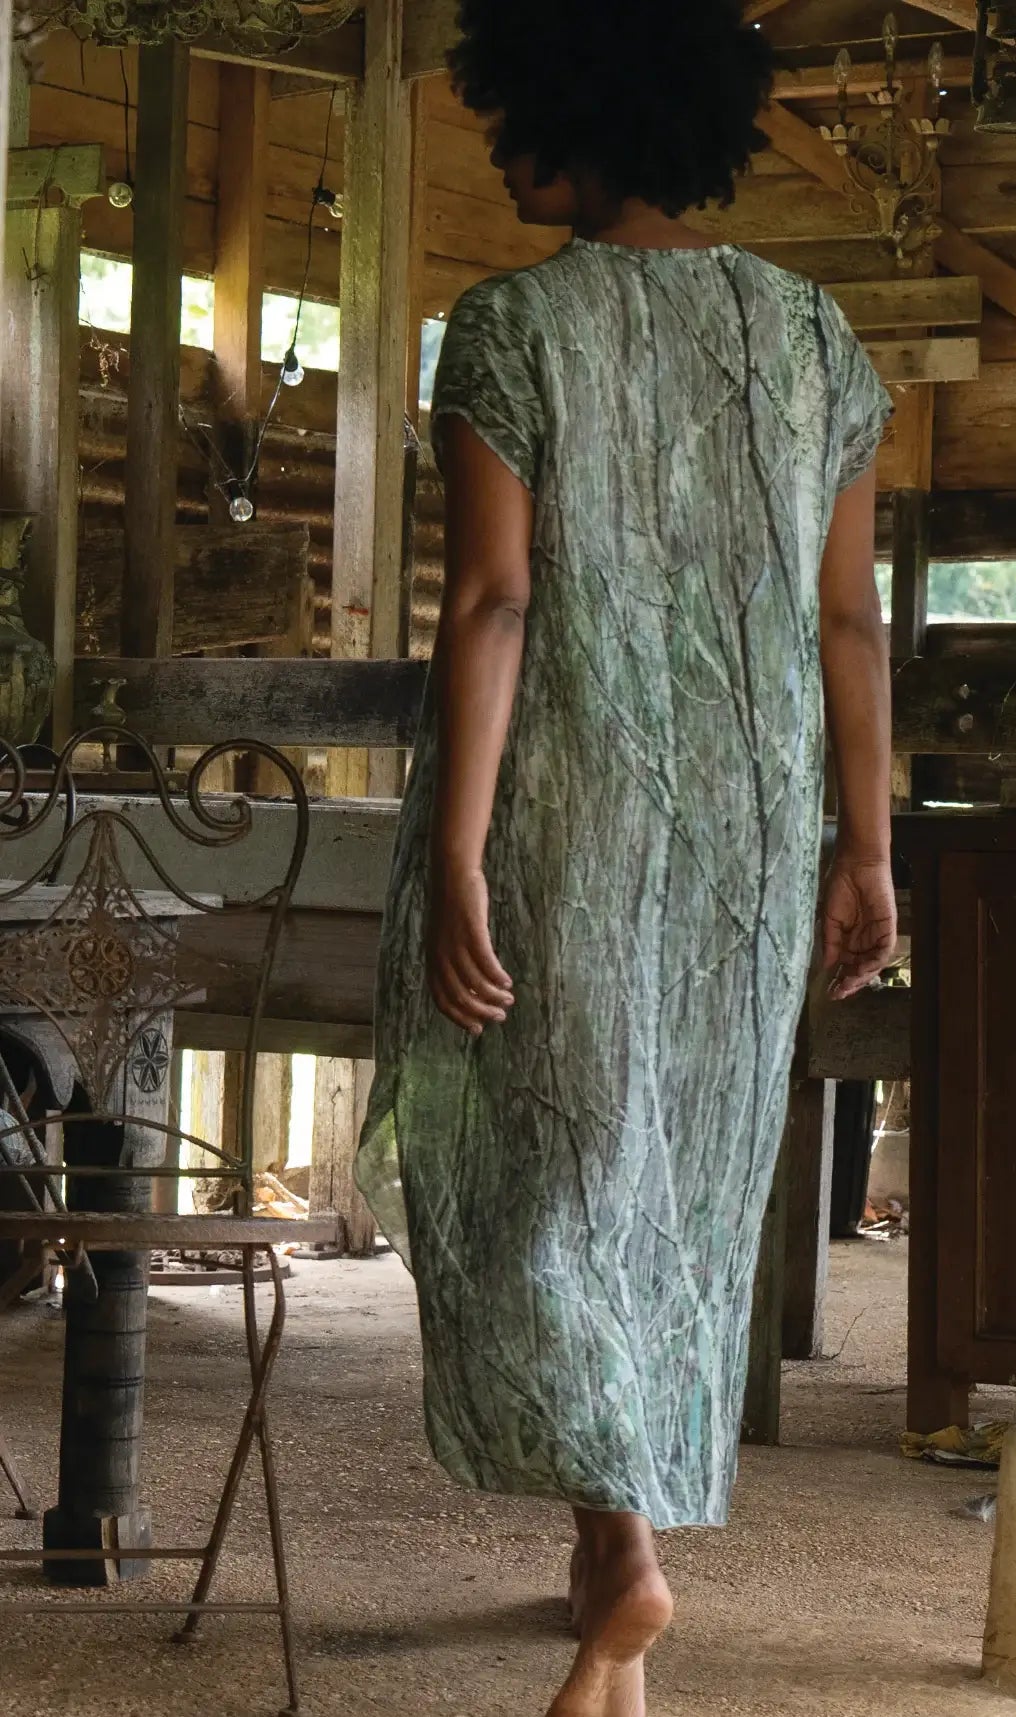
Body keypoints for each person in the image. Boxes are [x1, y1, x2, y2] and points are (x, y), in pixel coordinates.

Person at [356, 2, 897, 1711]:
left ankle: (629, 1556)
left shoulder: (511, 333)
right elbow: (848, 619)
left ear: (576, 125)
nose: (502, 151)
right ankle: (612, 1562)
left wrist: (455, 854)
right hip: (743, 840)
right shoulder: (816, 341)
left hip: (567, 822)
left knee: (547, 1186)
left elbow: (496, 601)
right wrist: (866, 848)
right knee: (669, 1191)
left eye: (513, 121)